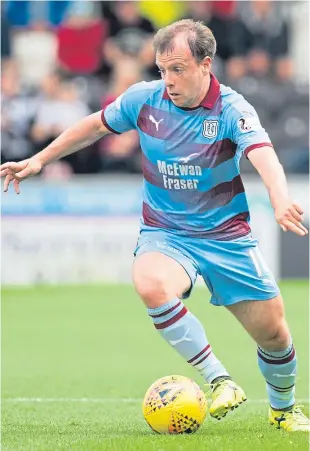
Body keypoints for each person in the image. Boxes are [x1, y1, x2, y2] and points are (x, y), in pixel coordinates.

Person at [1, 19, 309, 432]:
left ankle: (284, 408)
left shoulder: (232, 108)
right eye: (162, 69)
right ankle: (220, 380)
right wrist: (40, 159)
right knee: (149, 283)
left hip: (225, 237)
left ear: (206, 63)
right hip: (167, 233)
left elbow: (263, 153)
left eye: (178, 69)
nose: (168, 80)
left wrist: (278, 197)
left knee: (274, 335)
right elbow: (94, 125)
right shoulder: (144, 100)